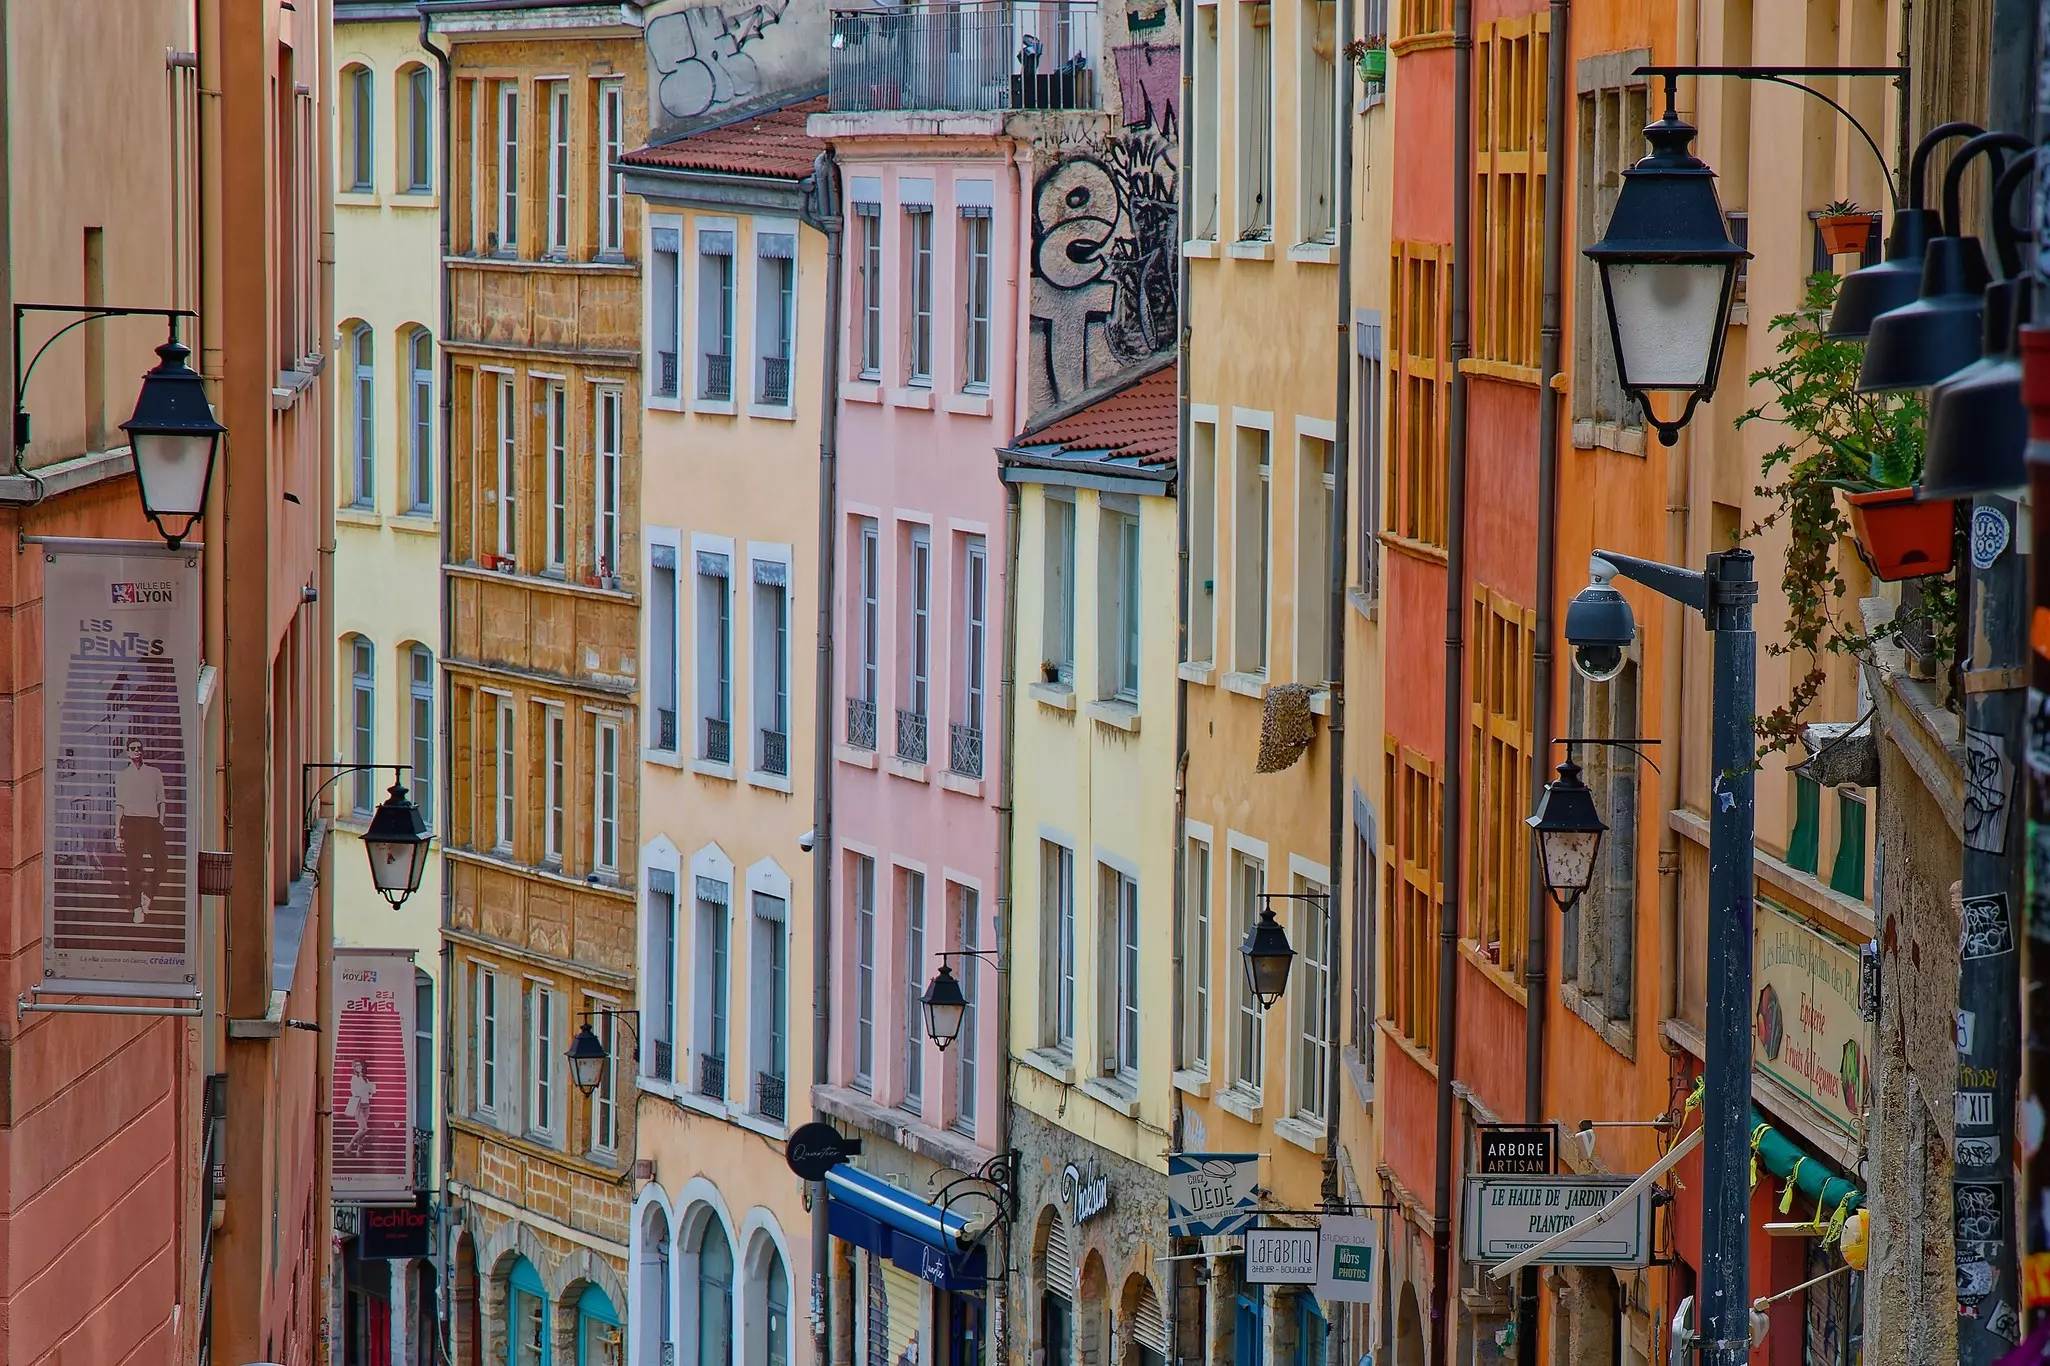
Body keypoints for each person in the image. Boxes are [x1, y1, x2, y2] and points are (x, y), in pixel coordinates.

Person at [113, 737, 167, 925]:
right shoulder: (122, 776)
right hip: (131, 823)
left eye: (139, 748)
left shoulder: (154, 773)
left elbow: (162, 801)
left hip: (151, 823)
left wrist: (160, 823)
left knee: (162, 863)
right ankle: (136, 907)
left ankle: (149, 895)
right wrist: (118, 834)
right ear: (127, 751)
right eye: (133, 748)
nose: (137, 751)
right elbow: (119, 805)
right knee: (133, 867)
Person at [344, 1058, 377, 1158]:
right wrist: (366, 1090)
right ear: (354, 1067)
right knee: (364, 1128)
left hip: (366, 1105)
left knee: (361, 1129)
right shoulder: (354, 1078)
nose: (358, 1067)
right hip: (358, 1105)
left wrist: (370, 1089)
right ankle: (349, 1145)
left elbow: (371, 1092)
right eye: (356, 1065)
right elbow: (355, 1092)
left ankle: (359, 1150)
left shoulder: (365, 1078)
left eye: (360, 1065)